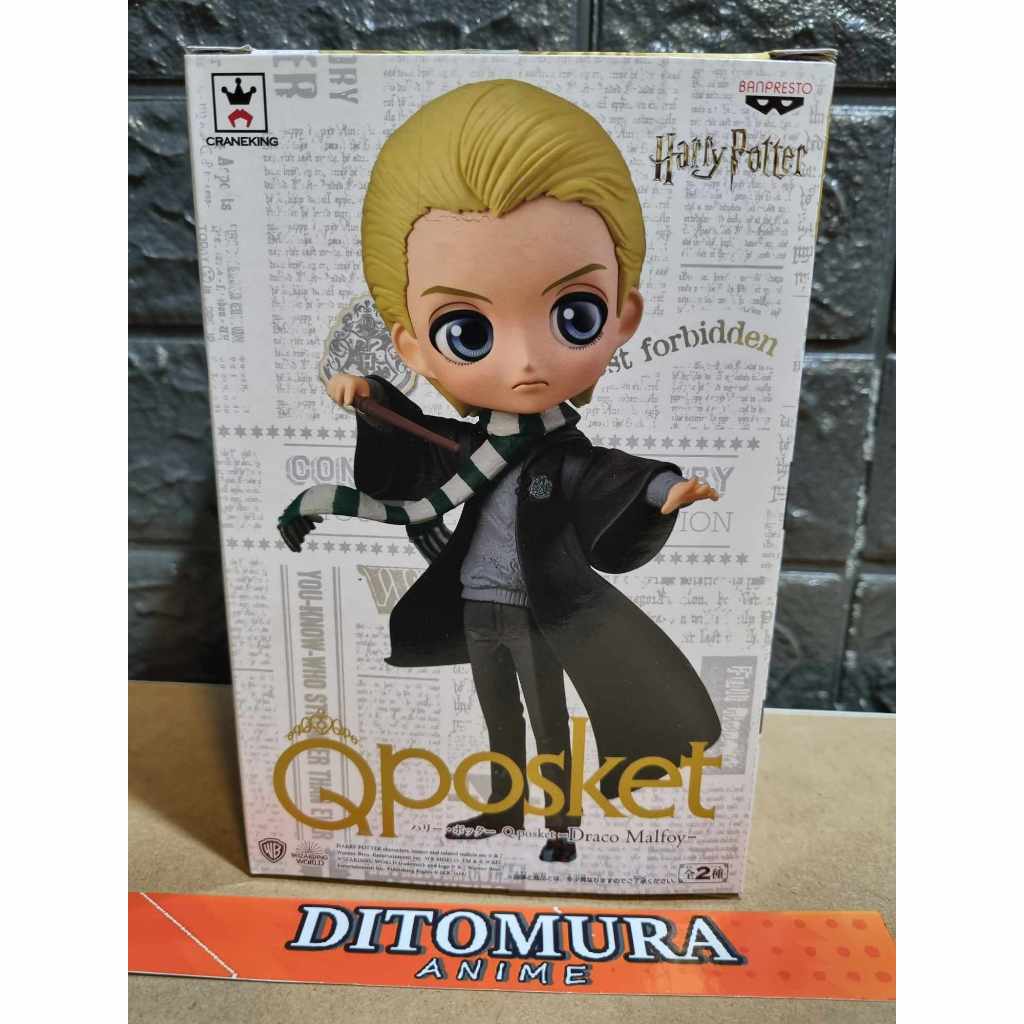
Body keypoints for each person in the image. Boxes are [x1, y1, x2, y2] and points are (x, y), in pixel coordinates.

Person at [279, 79, 722, 863]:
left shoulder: (563, 454)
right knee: (498, 717)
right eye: (468, 330)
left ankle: (561, 824)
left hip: (538, 610)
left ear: (623, 315)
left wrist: (664, 493)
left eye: (573, 315)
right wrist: (368, 396)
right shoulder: (467, 446)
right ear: (414, 345)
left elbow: (615, 477)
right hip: (477, 606)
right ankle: (503, 809)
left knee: (549, 719)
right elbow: (416, 446)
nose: (523, 362)